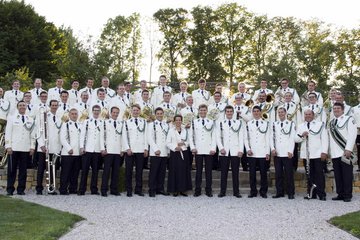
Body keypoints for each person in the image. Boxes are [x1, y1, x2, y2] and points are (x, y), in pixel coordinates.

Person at [295, 109, 328, 201]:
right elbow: (295, 139)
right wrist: (302, 136)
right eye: (306, 114)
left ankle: (321, 194)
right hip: (307, 155)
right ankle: (311, 194)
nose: (307, 116)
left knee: (319, 175)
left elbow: (325, 138)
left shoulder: (320, 124)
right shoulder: (301, 126)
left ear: (313, 115)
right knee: (309, 175)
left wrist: (324, 151)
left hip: (318, 153)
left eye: (309, 114)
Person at [5, 101, 35, 195]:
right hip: (14, 148)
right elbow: (8, 133)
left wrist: (32, 147)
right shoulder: (12, 118)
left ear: (26, 107)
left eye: (24, 105)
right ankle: (10, 189)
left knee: (23, 171)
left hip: (25, 148)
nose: (22, 107)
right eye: (20, 105)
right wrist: (8, 146)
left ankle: (21, 189)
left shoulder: (30, 119)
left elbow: (32, 135)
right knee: (11, 170)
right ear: (17, 107)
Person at [329, 102, 357, 202]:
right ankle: (340, 194)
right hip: (335, 153)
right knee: (338, 175)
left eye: (338, 108)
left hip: (345, 152)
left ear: (342, 110)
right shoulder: (331, 122)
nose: (336, 110)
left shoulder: (349, 119)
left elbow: (352, 135)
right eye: (334, 108)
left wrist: (349, 149)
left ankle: (347, 195)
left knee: (347, 175)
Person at [216, 105, 244, 198]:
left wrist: (240, 150)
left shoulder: (238, 123)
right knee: (224, 172)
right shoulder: (220, 123)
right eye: (227, 111)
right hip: (224, 151)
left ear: (233, 112)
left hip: (235, 151)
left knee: (235, 173)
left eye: (230, 111)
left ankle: (236, 192)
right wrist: (221, 148)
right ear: (225, 113)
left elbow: (241, 138)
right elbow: (218, 137)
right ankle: (222, 191)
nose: (229, 113)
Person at [35, 100, 62, 195]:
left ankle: (51, 188)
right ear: (49, 106)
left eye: (56, 105)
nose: (54, 107)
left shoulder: (59, 117)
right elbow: (38, 131)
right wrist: (41, 145)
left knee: (53, 170)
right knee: (41, 169)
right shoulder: (44, 116)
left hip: (55, 148)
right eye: (53, 105)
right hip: (44, 148)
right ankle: (39, 189)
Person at [190, 104, 216, 197]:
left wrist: (213, 148)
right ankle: (198, 190)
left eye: (204, 110)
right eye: (201, 110)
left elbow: (214, 136)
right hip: (198, 149)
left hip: (209, 149)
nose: (202, 112)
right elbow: (191, 136)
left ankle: (209, 190)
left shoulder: (211, 122)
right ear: (198, 111)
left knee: (209, 171)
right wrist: (193, 147)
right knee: (199, 171)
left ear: (207, 111)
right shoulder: (194, 122)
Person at [122, 104, 148, 197]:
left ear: (139, 111)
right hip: (131, 150)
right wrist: (127, 148)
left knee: (139, 171)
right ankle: (129, 190)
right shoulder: (126, 122)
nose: (135, 112)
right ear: (131, 111)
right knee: (128, 171)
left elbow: (146, 136)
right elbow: (124, 136)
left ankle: (138, 189)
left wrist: (146, 148)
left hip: (140, 150)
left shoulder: (144, 122)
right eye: (134, 110)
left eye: (137, 110)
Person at [245, 106, 270, 198]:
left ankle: (263, 191)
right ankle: (253, 191)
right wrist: (248, 149)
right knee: (252, 173)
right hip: (252, 152)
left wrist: (267, 152)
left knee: (263, 173)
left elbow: (267, 139)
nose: (256, 113)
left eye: (257, 111)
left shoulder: (265, 123)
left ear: (260, 112)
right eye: (254, 111)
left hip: (263, 152)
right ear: (252, 113)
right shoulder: (248, 124)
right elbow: (246, 138)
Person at [271, 107, 296, 199]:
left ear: (285, 113)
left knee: (289, 174)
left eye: (282, 112)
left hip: (287, 152)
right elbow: (271, 137)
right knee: (278, 174)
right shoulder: (274, 124)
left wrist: (290, 150)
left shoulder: (291, 124)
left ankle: (290, 192)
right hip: (277, 152)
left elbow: (292, 138)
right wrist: (273, 148)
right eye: (279, 112)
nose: (280, 114)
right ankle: (279, 192)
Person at [78, 105, 102, 195]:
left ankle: (94, 189)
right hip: (87, 150)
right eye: (95, 110)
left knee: (95, 171)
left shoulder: (102, 122)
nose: (96, 112)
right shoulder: (87, 122)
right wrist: (81, 147)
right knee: (85, 170)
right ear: (92, 111)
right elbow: (82, 135)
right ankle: (82, 190)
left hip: (97, 150)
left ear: (100, 112)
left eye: (98, 110)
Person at [100, 106, 124, 197]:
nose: (115, 114)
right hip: (108, 151)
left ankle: (114, 189)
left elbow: (122, 137)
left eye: (117, 112)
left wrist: (122, 149)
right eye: (114, 112)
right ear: (111, 113)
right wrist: (103, 148)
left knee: (116, 172)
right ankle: (104, 190)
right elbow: (102, 136)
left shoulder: (120, 123)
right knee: (106, 171)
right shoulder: (105, 123)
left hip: (117, 151)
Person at [166, 115, 192, 196]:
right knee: (175, 171)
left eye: (179, 120)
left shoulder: (185, 130)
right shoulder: (171, 130)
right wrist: (175, 147)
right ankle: (175, 190)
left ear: (181, 121)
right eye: (176, 120)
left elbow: (189, 141)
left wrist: (184, 143)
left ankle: (183, 190)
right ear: (174, 121)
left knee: (183, 171)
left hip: (184, 152)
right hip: (175, 153)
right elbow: (167, 142)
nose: (178, 121)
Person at [147, 107, 170, 197]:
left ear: (163, 114)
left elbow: (168, 139)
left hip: (164, 152)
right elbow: (150, 138)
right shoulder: (151, 125)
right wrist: (155, 149)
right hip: (155, 152)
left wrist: (168, 151)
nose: (160, 115)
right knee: (154, 172)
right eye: (158, 114)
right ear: (155, 115)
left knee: (162, 172)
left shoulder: (166, 125)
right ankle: (152, 190)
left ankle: (160, 189)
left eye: (161, 113)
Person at [59, 108, 81, 195]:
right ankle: (63, 189)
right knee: (66, 173)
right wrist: (69, 148)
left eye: (76, 114)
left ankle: (73, 189)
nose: (74, 115)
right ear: (69, 115)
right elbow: (62, 138)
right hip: (67, 153)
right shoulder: (65, 125)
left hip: (78, 153)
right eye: (72, 114)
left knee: (75, 173)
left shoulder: (80, 125)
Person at [353, 101, 360, 171]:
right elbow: (353, 121)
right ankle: (359, 166)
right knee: (359, 150)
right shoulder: (354, 109)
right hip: (358, 132)